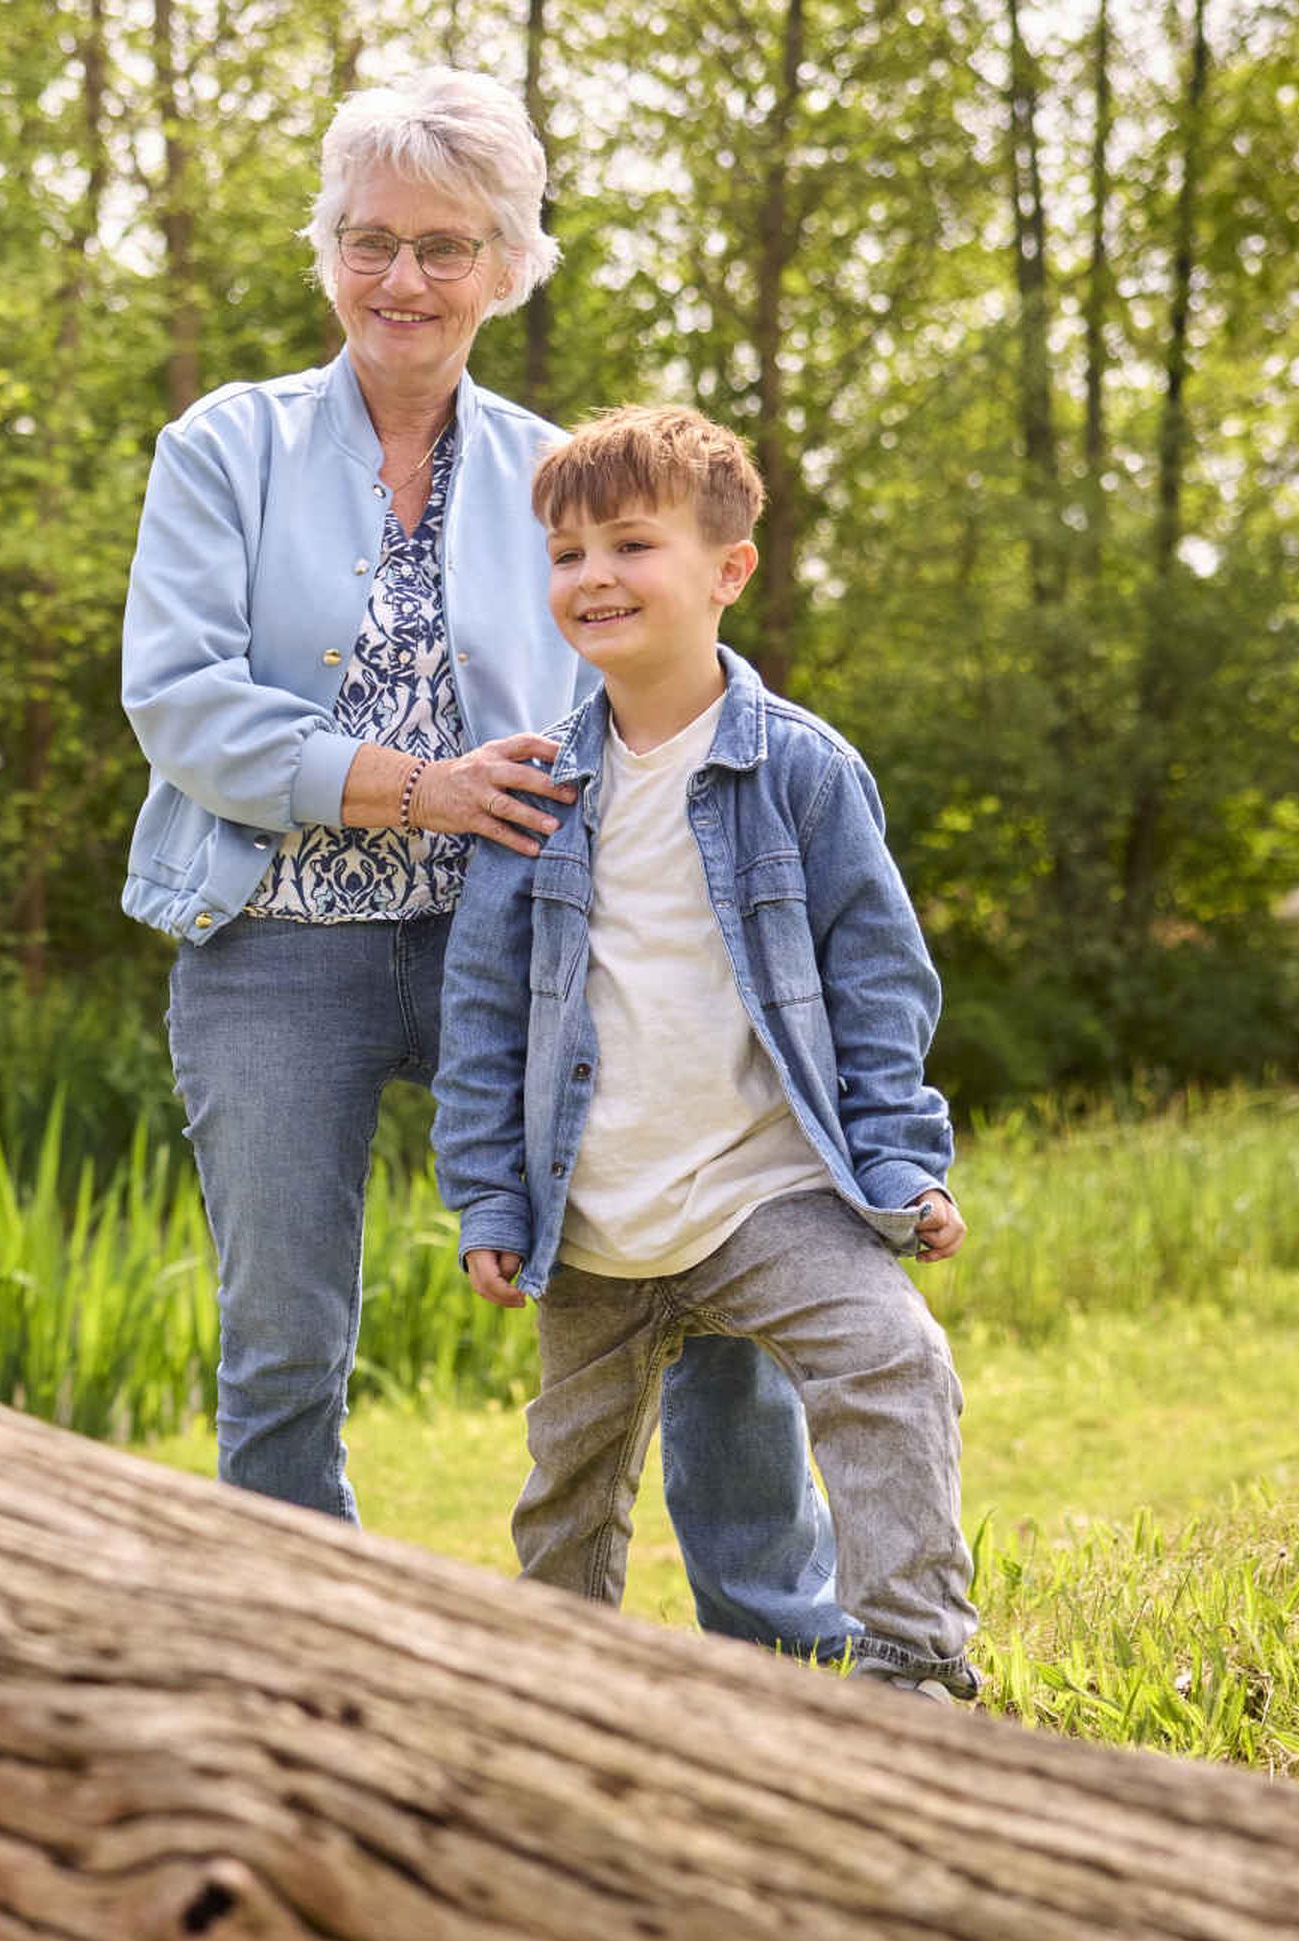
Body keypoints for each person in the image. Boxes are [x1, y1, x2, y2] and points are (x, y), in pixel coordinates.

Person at [117, 65, 857, 1662]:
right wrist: (408, 786)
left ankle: (784, 1649)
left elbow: (661, 653)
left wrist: (776, 799)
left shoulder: (558, 473)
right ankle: (309, 1657)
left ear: (510, 265)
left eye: (445, 246)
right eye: (371, 240)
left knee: (710, 1253)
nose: (403, 281)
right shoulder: (223, 445)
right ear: (326, 252)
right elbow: (175, 701)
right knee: (285, 1340)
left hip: (527, 947)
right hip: (274, 935)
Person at [434, 404, 977, 1695]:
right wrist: (489, 1196)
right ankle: (562, 1686)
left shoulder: (800, 772)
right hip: (594, 1218)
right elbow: (483, 1016)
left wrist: (900, 1162)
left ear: (728, 571)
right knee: (570, 1480)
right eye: (567, 554)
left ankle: (911, 1668)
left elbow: (878, 978)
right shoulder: (536, 795)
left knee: (893, 1360)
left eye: (631, 543)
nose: (594, 577)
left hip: (765, 1197)